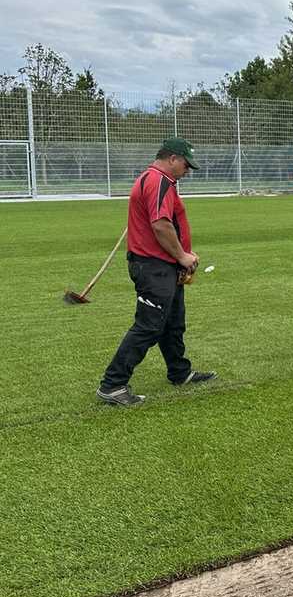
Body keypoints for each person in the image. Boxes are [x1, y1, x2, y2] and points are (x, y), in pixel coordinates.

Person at [96, 137, 216, 406]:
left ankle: (179, 372)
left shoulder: (156, 180)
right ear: (172, 158)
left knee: (173, 322)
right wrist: (183, 256)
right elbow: (161, 224)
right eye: (186, 165)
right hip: (153, 267)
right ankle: (113, 384)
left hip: (164, 265)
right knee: (148, 326)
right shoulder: (158, 181)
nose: (188, 171)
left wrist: (182, 257)